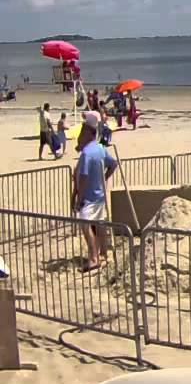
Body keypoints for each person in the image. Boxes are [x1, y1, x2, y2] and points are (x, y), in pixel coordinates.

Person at [72, 112, 118, 272]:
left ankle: (93, 258)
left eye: (82, 132)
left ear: (88, 134)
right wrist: (104, 178)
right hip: (99, 195)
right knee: (100, 226)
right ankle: (104, 254)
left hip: (90, 197)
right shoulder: (100, 148)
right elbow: (113, 164)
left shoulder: (86, 153)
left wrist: (79, 198)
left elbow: (83, 177)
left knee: (86, 226)